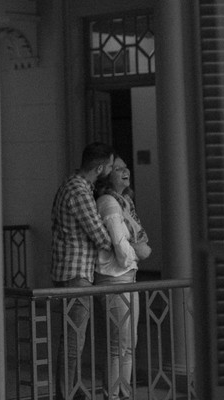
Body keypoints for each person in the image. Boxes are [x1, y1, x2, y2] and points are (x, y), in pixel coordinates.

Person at [50, 141, 115, 400]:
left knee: (73, 338)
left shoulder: (73, 185)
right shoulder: (78, 191)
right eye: (110, 166)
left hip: (71, 272)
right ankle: (66, 393)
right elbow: (99, 235)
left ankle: (72, 389)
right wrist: (126, 244)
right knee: (73, 340)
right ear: (99, 168)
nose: (111, 170)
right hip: (75, 274)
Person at [93, 155, 151, 400]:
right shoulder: (108, 203)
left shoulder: (125, 202)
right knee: (119, 344)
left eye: (126, 167)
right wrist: (137, 254)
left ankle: (124, 394)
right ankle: (113, 395)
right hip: (114, 278)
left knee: (129, 342)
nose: (125, 171)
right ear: (107, 176)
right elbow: (120, 245)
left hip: (127, 277)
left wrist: (136, 250)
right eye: (118, 169)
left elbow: (134, 239)